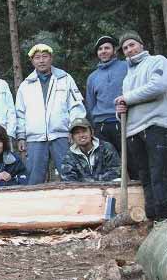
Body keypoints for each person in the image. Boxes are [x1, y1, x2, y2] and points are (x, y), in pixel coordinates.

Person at [15, 44, 86, 184]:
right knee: (34, 179)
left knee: (70, 175)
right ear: (32, 61)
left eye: (45, 57)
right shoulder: (26, 85)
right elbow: (20, 113)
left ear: (51, 58)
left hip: (62, 136)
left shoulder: (65, 79)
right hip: (35, 138)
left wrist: (74, 130)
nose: (41, 61)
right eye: (37, 58)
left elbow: (76, 107)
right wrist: (21, 136)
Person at [115, 31, 167, 220]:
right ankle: (153, 219)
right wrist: (119, 109)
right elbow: (125, 104)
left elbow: (158, 86)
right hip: (133, 131)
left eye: (132, 45)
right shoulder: (127, 77)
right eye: (125, 48)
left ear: (141, 44)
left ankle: (164, 219)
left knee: (159, 173)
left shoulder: (157, 61)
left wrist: (126, 98)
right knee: (144, 177)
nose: (129, 50)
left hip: (155, 125)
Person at [86, 36, 137, 180]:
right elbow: (90, 104)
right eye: (100, 49)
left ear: (114, 50)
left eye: (107, 48)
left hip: (124, 122)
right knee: (107, 166)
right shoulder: (92, 77)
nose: (103, 51)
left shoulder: (126, 66)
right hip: (101, 126)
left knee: (132, 161)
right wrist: (93, 126)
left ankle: (138, 195)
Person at [60, 118, 120, 182]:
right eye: (77, 133)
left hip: (107, 188)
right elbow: (67, 178)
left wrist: (90, 181)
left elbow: (116, 171)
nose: (81, 135)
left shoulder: (106, 148)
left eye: (84, 131)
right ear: (72, 137)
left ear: (92, 132)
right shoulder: (69, 156)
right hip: (81, 190)